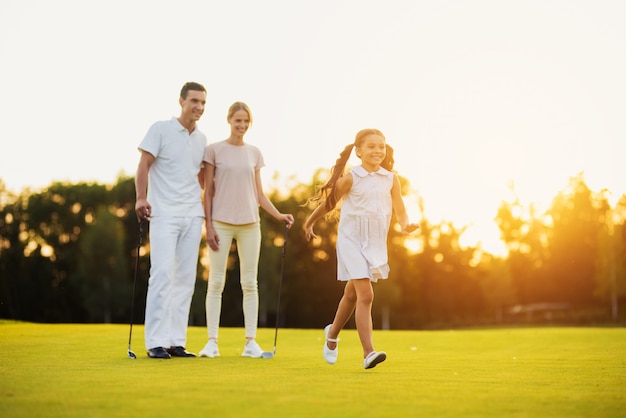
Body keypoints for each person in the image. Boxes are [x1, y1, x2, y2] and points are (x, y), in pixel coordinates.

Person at [303, 128, 419, 369]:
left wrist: (406, 224)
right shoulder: (351, 178)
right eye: (372, 146)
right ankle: (369, 353)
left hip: (374, 244)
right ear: (358, 151)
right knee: (366, 294)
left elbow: (400, 210)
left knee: (352, 294)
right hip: (351, 241)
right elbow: (329, 204)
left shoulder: (391, 179)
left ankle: (332, 335)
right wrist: (309, 221)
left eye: (381, 147)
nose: (378, 151)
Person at [200, 101, 294, 358]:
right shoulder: (214, 150)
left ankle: (250, 342)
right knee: (216, 283)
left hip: (250, 224)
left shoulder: (254, 152)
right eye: (237, 120)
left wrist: (278, 215)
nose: (241, 125)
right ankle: (212, 342)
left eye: (245, 121)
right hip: (220, 222)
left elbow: (259, 194)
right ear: (229, 120)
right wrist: (207, 225)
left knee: (249, 283)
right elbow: (207, 192)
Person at [134, 82, 208, 359]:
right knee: (163, 274)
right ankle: (155, 342)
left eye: (202, 102)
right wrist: (141, 198)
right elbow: (143, 165)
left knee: (186, 279)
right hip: (164, 213)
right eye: (194, 101)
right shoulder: (160, 129)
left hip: (192, 215)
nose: (198, 107)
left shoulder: (202, 139)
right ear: (181, 101)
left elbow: (201, 178)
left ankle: (176, 341)